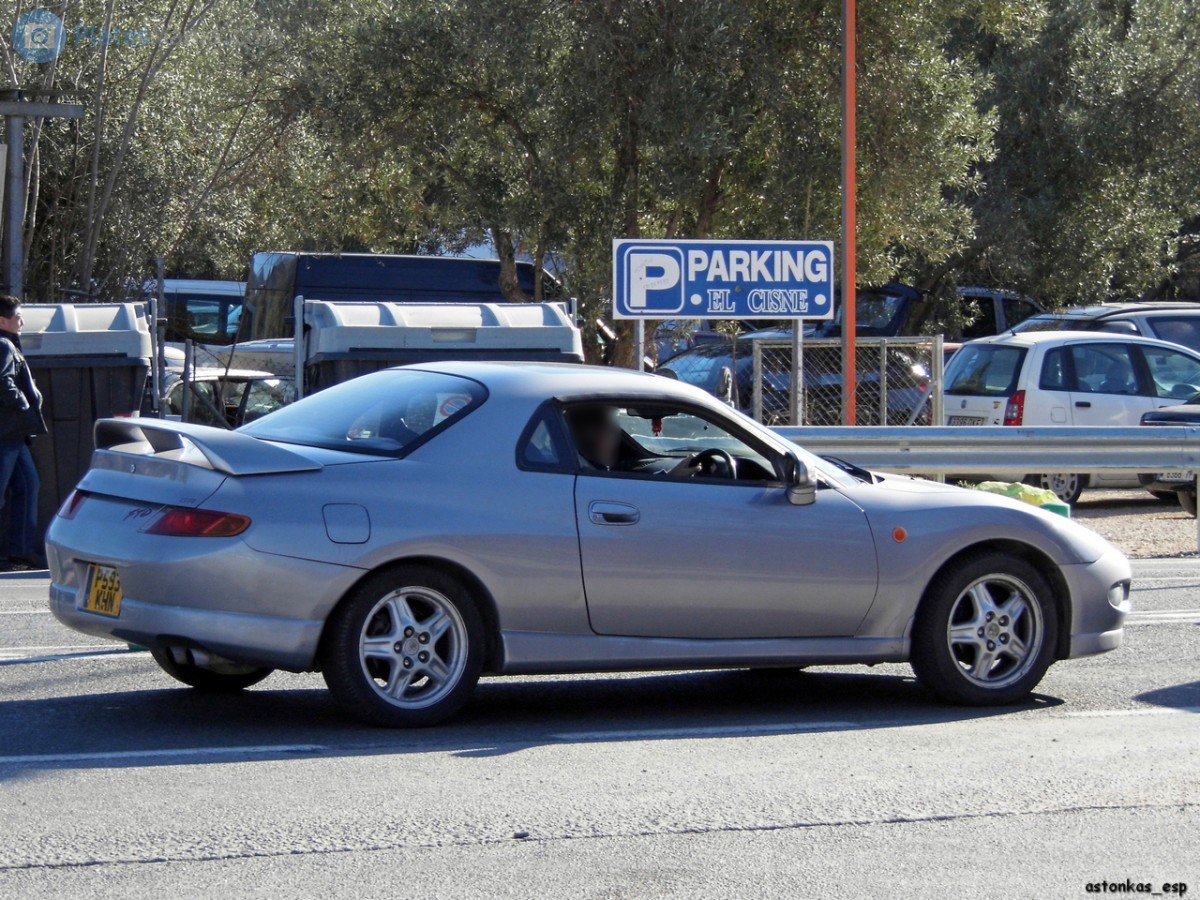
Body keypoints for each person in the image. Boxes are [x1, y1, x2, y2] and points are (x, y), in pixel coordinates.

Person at [0, 296, 47, 571]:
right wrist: (23, 404)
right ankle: (19, 550)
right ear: (2, 321)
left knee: (29, 485)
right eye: (18, 316)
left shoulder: (8, 343)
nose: (22, 321)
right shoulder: (4, 345)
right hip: (7, 431)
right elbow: (2, 381)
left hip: (15, 434)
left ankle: (21, 551)